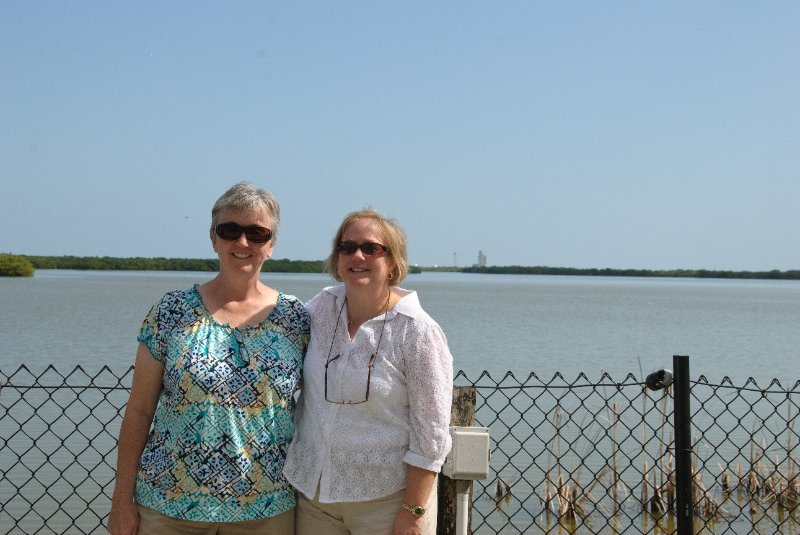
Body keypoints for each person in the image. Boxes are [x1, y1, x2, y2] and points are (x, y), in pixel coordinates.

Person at [108, 182, 309, 535]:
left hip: (267, 509)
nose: (242, 243)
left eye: (256, 233)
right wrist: (121, 501)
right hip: (167, 507)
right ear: (213, 238)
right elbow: (139, 411)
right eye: (230, 230)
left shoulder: (297, 318)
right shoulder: (170, 312)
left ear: (271, 244)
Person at [284, 209, 453, 535]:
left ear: (392, 261)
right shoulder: (320, 309)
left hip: (386, 504)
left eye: (371, 248)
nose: (357, 255)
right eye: (347, 248)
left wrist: (413, 512)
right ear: (336, 258)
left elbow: (430, 434)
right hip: (313, 497)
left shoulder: (416, 332)